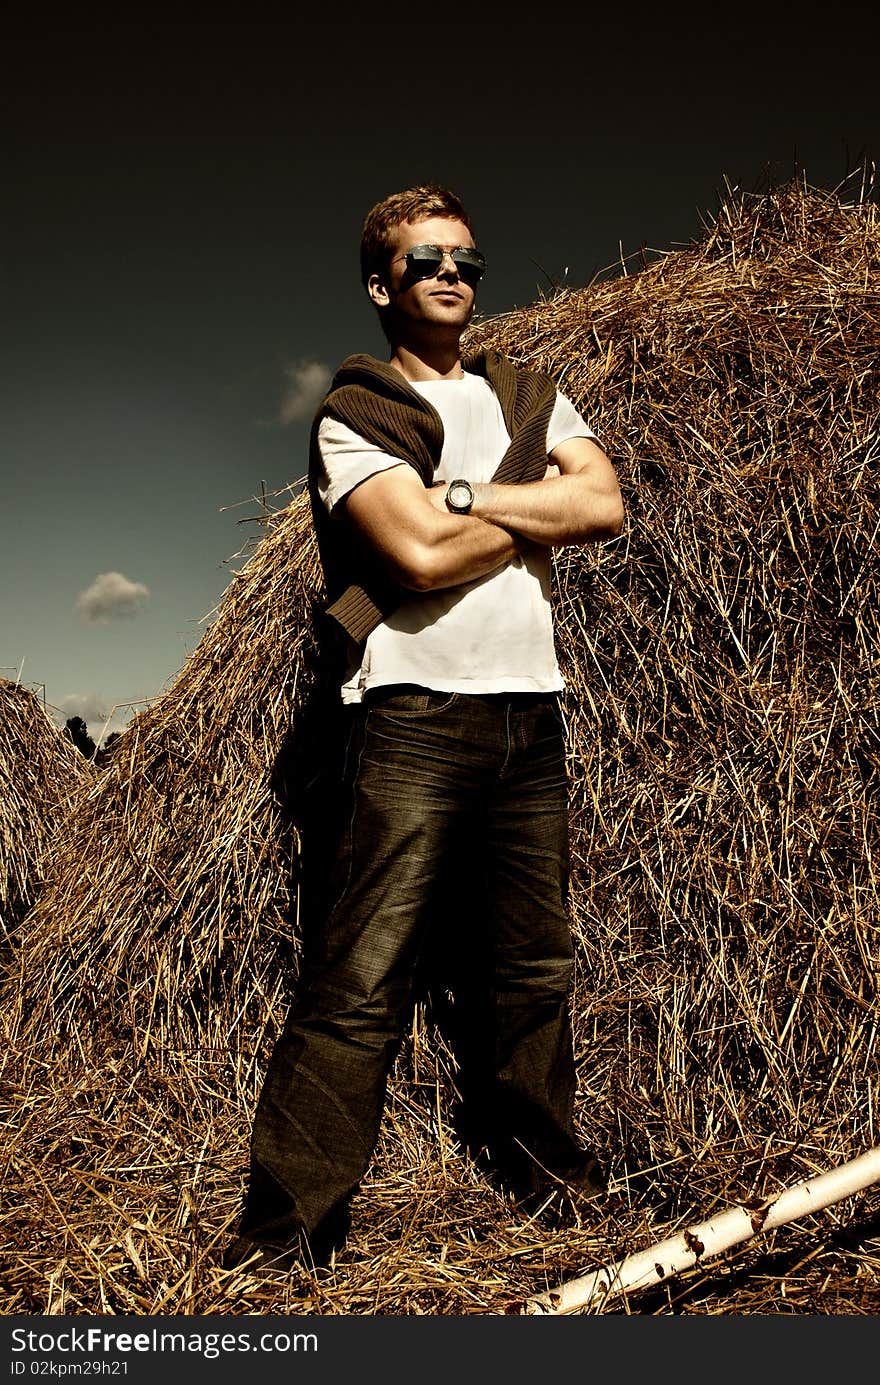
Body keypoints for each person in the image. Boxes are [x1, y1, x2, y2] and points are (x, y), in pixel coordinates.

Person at [224, 183, 624, 1274]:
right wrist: (514, 508)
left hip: (527, 711)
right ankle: (285, 1233)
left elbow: (603, 506)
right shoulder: (355, 413)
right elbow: (416, 560)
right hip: (411, 714)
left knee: (533, 968)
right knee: (359, 981)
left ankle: (550, 1180)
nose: (450, 274)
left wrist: (457, 498)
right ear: (379, 285)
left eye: (465, 259)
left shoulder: (535, 395)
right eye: (423, 260)